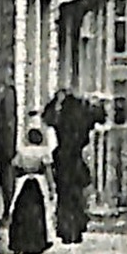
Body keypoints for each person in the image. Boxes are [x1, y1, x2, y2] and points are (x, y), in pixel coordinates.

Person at [43, 86, 104, 244]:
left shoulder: (62, 116)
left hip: (64, 158)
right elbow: (99, 117)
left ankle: (66, 230)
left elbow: (48, 119)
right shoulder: (81, 114)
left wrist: (57, 102)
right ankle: (75, 229)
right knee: (75, 195)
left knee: (65, 196)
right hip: (75, 158)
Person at [7, 124, 54, 254]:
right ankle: (37, 243)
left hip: (24, 182)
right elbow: (48, 170)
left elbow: (15, 167)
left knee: (21, 212)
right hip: (38, 182)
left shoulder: (22, 151)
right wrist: (51, 188)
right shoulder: (44, 152)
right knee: (38, 212)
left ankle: (20, 243)